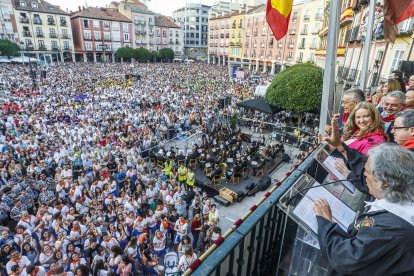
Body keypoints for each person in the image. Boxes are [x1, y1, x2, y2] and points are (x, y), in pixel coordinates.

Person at [313, 144, 414, 275]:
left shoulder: (390, 229)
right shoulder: (398, 207)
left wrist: (326, 223)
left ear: (384, 182)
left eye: (367, 171)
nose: (364, 175)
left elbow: (345, 259)